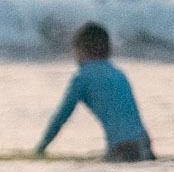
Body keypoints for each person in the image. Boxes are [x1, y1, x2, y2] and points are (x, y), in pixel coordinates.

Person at [39, 23, 153, 160]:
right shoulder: (119, 73)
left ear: (80, 51)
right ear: (108, 50)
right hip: (144, 142)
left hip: (122, 147)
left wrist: (41, 148)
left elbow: (62, 116)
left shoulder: (82, 78)